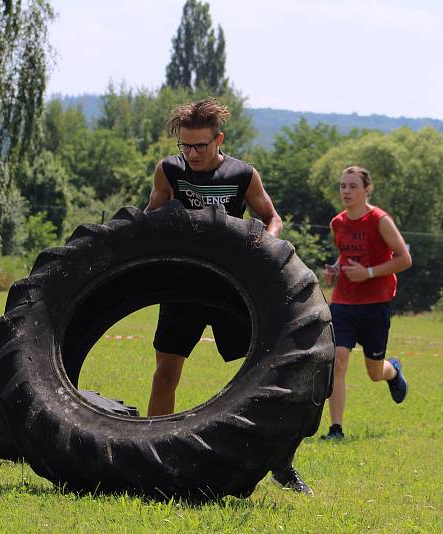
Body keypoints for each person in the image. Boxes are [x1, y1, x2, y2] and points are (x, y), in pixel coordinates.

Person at [143, 98, 313, 495]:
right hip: (183, 286)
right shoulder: (169, 170)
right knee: (166, 371)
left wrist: (262, 249)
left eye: (201, 146)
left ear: (219, 139)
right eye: (186, 146)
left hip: (233, 290)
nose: (192, 154)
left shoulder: (242, 174)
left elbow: (272, 218)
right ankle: (152, 451)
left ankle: (281, 462)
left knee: (265, 376)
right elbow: (151, 216)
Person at [320, 165, 412, 441]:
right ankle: (336, 429)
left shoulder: (380, 220)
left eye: (352, 186)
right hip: (343, 303)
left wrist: (368, 273)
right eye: (342, 186)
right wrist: (336, 269)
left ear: (367, 189)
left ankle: (392, 371)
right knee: (337, 361)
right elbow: (345, 254)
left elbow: (404, 259)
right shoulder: (337, 222)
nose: (346, 191)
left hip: (376, 303)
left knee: (374, 372)